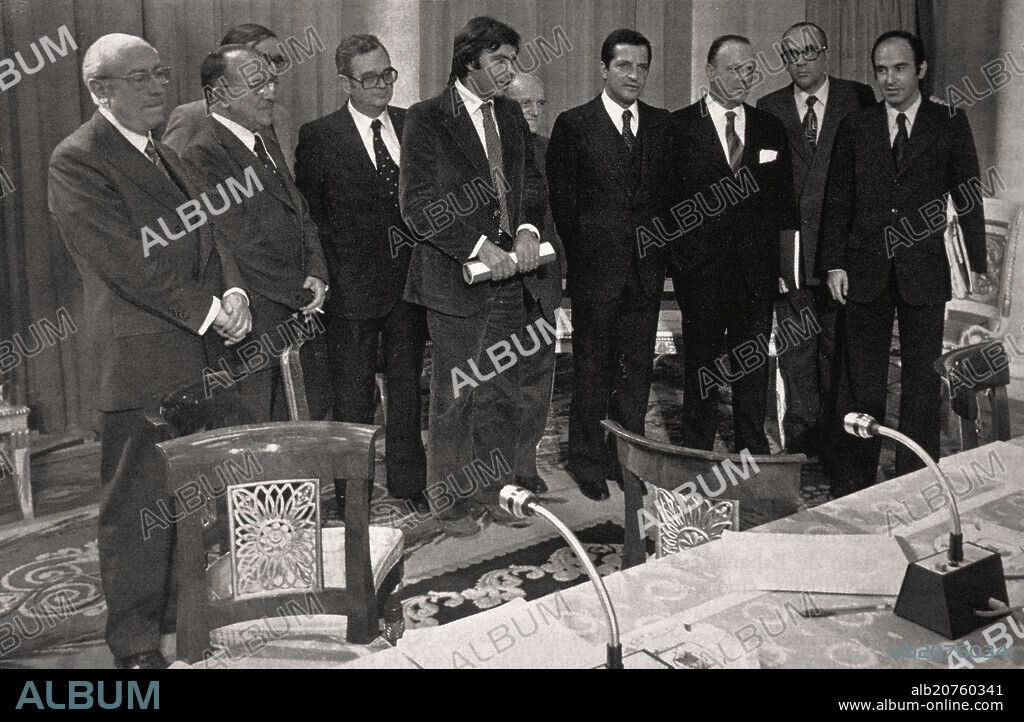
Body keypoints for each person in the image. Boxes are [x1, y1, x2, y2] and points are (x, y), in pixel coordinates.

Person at [48, 34, 251, 669]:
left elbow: (211, 233)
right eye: (139, 78)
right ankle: (134, 644)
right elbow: (123, 262)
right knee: (136, 507)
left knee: (186, 498)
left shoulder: (164, 152)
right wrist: (211, 311)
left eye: (161, 74)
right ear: (99, 90)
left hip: (194, 356)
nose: (159, 86)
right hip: (139, 363)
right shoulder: (78, 159)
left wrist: (234, 290)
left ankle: (179, 614)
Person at [399, 16, 549, 535]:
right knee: (456, 396)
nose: (509, 71)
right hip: (455, 280)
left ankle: (495, 489)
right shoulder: (426, 118)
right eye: (499, 61)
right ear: (469, 62)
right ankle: (450, 503)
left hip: (511, 279)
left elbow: (531, 183)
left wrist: (526, 230)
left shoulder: (508, 114)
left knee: (503, 391)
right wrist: (481, 246)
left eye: (512, 60)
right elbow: (418, 205)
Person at [821, 30, 986, 496]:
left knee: (921, 382)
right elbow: (838, 198)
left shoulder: (949, 121)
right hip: (865, 271)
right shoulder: (857, 125)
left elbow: (968, 194)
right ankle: (855, 480)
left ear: (921, 70)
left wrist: (976, 263)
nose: (889, 79)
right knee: (862, 381)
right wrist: (834, 264)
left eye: (899, 68)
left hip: (925, 271)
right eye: (881, 70)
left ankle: (914, 480)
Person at [295, 35, 429, 516]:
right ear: (344, 83)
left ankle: (409, 482)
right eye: (369, 78)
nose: (381, 85)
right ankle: (354, 495)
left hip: (409, 288)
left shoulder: (412, 125)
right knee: (352, 400)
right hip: (350, 294)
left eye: (387, 74)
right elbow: (310, 218)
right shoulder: (319, 136)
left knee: (407, 390)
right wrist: (325, 279)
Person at [547, 29, 680, 501]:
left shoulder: (662, 125)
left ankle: (626, 460)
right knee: (592, 370)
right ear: (603, 69)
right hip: (595, 273)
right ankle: (586, 460)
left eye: (642, 67)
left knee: (635, 373)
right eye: (624, 65)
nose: (634, 75)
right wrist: (587, 255)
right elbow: (563, 203)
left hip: (645, 272)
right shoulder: (574, 124)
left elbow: (669, 199)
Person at [179, 46, 328, 421]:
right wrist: (299, 292)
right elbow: (238, 242)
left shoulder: (263, 141)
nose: (270, 93)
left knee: (299, 428)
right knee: (262, 432)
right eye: (257, 84)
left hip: (291, 314)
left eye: (272, 83)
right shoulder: (203, 153)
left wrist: (317, 271)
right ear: (219, 94)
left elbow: (300, 213)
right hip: (256, 325)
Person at [670, 35, 798, 455]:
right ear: (710, 73)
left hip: (755, 273)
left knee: (752, 364)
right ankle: (697, 448)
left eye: (749, 70)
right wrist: (683, 262)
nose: (743, 78)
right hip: (700, 273)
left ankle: (750, 445)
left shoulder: (769, 128)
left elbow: (783, 204)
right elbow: (666, 204)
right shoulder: (678, 127)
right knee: (701, 365)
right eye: (733, 69)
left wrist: (783, 269)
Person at [756, 22, 875, 461]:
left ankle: (840, 442)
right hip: (791, 254)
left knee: (838, 352)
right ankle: (802, 445)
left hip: (843, 253)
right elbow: (765, 190)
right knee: (796, 352)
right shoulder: (769, 107)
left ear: (825, 53)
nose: (800, 62)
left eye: (808, 52)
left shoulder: (857, 98)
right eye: (791, 55)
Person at [502, 72, 564, 495]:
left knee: (536, 381)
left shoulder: (550, 151)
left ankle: (524, 464)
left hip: (541, 284)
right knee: (496, 383)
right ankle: (493, 469)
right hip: (495, 287)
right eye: (525, 103)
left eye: (540, 103)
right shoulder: (485, 150)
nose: (535, 112)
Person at [163, 23, 297, 172]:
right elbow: (171, 176)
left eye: (277, 60)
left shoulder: (279, 116)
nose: (271, 69)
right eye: (260, 58)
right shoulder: (192, 116)